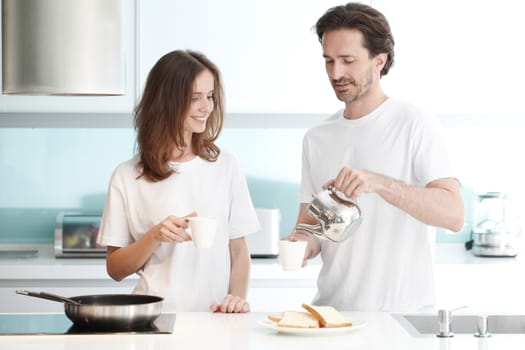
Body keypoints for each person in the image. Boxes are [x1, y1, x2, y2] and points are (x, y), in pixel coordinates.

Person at [289, 3, 465, 312]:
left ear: (378, 61)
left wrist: (379, 183)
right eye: (328, 61)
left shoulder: (414, 124)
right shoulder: (317, 138)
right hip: (332, 317)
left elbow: (453, 214)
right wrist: (300, 244)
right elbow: (310, 226)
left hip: (403, 319)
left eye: (348, 61)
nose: (335, 73)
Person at [96, 50, 260, 313]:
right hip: (154, 319)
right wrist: (155, 236)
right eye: (195, 98)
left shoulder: (226, 165)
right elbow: (115, 269)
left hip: (215, 319)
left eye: (210, 96)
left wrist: (236, 301)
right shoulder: (126, 176)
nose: (206, 107)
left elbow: (238, 251)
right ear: (167, 101)